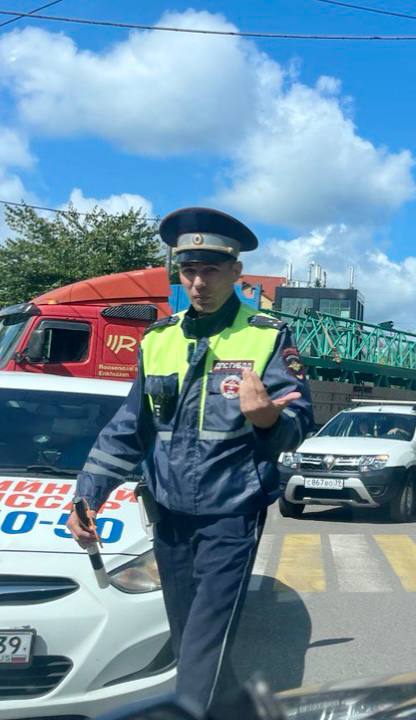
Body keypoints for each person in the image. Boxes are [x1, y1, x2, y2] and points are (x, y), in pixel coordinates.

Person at [67, 207, 313, 710]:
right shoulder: (159, 340)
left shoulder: (267, 335)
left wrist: (267, 418)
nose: (199, 282)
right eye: (189, 270)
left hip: (230, 517)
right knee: (191, 643)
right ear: (179, 271)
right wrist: (87, 493)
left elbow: (297, 424)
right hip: (170, 519)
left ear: (236, 272)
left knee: (201, 649)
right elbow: (129, 429)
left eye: (211, 269)